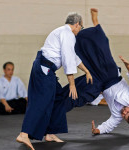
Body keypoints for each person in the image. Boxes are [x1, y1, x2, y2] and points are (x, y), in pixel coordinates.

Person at [16, 12, 93, 150]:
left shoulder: (63, 32)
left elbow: (73, 57)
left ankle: (49, 133)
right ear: (77, 24)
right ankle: (24, 133)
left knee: (58, 98)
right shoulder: (67, 34)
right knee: (41, 101)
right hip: (44, 70)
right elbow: (68, 58)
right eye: (80, 28)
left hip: (45, 69)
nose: (79, 31)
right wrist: (72, 84)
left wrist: (86, 71)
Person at [61, 8, 129, 135]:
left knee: (85, 59)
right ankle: (96, 23)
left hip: (99, 83)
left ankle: (75, 37)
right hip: (111, 75)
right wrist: (128, 65)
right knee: (103, 48)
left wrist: (97, 130)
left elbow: (109, 125)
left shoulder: (117, 116)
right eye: (127, 112)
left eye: (125, 116)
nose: (124, 113)